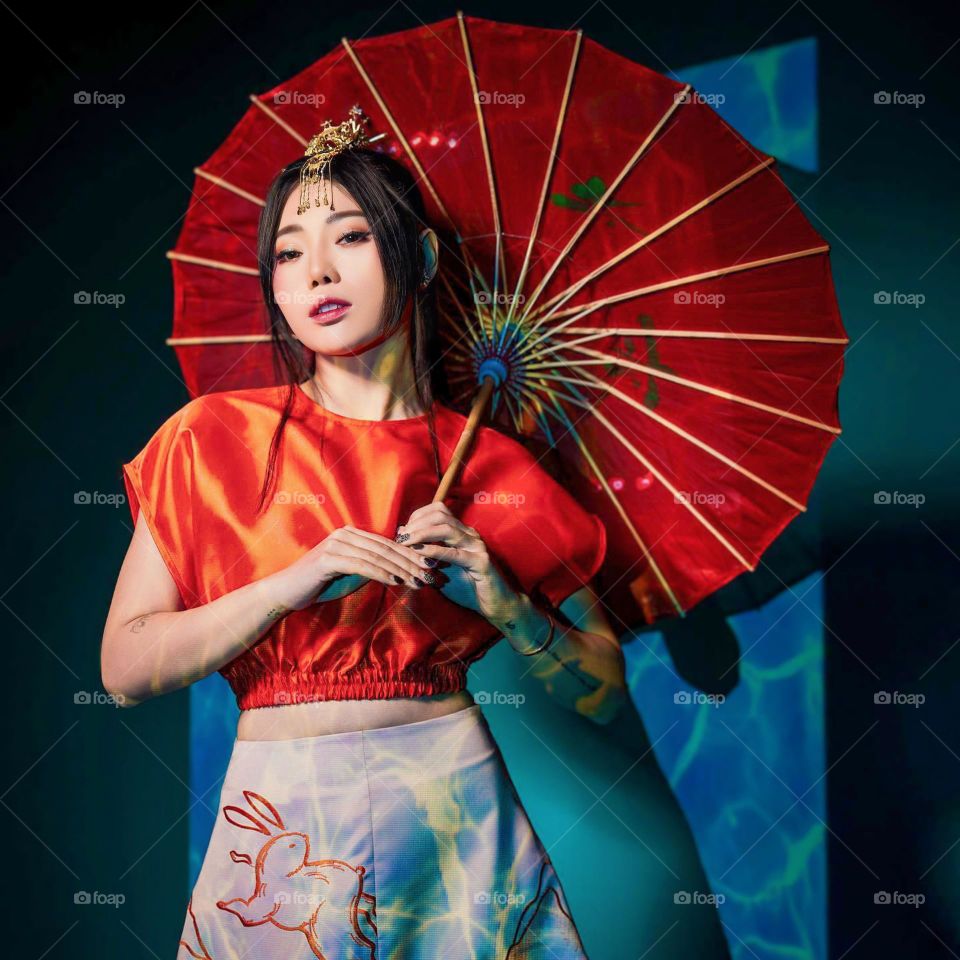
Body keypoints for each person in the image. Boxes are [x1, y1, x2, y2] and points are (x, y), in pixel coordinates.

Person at [101, 124, 627, 958]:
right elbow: (124, 670)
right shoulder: (212, 438)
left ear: (420, 258)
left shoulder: (497, 466)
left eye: (349, 237)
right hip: (283, 821)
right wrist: (291, 584)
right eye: (288, 252)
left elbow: (602, 692)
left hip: (452, 807)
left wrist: (505, 604)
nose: (316, 271)